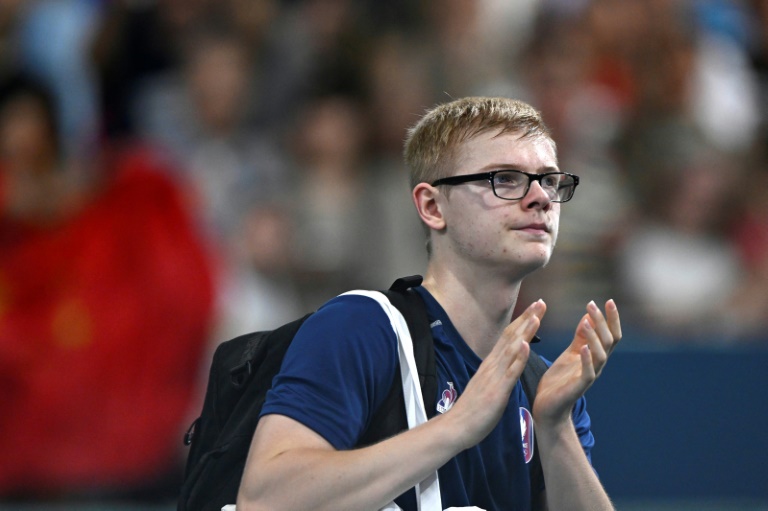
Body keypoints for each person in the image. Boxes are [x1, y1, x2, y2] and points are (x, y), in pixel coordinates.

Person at [236, 96, 622, 511]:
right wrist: (457, 425)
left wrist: (555, 426)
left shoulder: (542, 387)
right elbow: (263, 500)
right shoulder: (362, 327)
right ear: (432, 206)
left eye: (548, 180)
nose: (541, 198)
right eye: (505, 179)